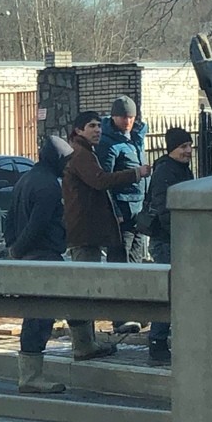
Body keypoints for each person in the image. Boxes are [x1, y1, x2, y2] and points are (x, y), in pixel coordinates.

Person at [4, 135, 115, 394]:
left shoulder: (26, 179)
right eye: (65, 161)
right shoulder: (48, 187)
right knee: (39, 316)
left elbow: (10, 219)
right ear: (56, 160)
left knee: (64, 301)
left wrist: (13, 248)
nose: (67, 167)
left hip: (31, 258)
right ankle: (31, 377)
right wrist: (20, 249)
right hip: (43, 258)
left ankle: (83, 345)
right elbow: (38, 224)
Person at [62, 110, 151, 341]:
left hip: (88, 230)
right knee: (85, 289)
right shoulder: (81, 154)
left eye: (99, 126)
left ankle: (87, 342)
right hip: (84, 231)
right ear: (79, 130)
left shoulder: (86, 152)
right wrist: (135, 173)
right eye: (92, 126)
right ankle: (83, 343)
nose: (98, 130)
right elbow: (100, 181)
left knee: (89, 286)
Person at [144, 126, 195, 365]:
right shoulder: (166, 172)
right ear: (172, 149)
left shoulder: (181, 170)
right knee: (171, 294)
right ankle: (158, 342)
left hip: (177, 240)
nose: (188, 151)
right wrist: (180, 235)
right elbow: (165, 209)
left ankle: (164, 341)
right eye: (183, 147)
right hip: (167, 242)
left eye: (190, 145)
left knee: (178, 293)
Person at [98, 95, 149, 264]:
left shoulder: (136, 139)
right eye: (123, 117)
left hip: (139, 211)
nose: (127, 121)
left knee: (136, 259)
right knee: (120, 259)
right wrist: (116, 213)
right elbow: (105, 181)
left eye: (131, 117)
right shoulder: (107, 143)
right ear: (114, 117)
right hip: (122, 212)